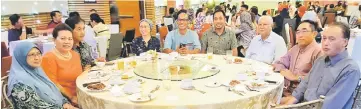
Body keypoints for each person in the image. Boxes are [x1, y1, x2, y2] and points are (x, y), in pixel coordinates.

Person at [280, 22, 360, 109]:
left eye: (331, 39)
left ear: (345, 42)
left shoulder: (350, 70)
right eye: (324, 38)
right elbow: (304, 85)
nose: (325, 43)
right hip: (304, 104)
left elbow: (331, 105)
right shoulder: (320, 60)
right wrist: (288, 104)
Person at [7, 41, 77, 109]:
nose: (37, 58)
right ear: (21, 57)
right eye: (31, 55)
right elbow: (35, 106)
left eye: (38, 53)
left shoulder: (37, 71)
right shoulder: (19, 84)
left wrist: (64, 103)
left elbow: (54, 90)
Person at [273, 20, 323, 96]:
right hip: (286, 90)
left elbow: (319, 79)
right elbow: (279, 63)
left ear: (314, 34)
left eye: (304, 31)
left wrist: (296, 78)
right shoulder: (295, 48)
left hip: (303, 95)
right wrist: (283, 70)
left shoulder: (318, 52)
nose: (300, 35)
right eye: (298, 32)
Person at [41, 24, 82, 106]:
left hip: (80, 93)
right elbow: (53, 84)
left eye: (70, 39)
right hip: (63, 99)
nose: (67, 41)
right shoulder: (48, 57)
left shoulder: (75, 55)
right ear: (54, 40)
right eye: (63, 38)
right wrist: (71, 97)